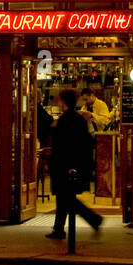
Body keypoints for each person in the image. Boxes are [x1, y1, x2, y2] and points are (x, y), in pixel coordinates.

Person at [47, 88, 101, 239]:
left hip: (65, 166)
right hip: (75, 165)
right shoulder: (79, 120)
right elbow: (86, 143)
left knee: (66, 198)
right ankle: (59, 228)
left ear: (63, 102)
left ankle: (92, 219)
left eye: (60, 100)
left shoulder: (63, 121)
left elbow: (60, 147)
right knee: (65, 199)